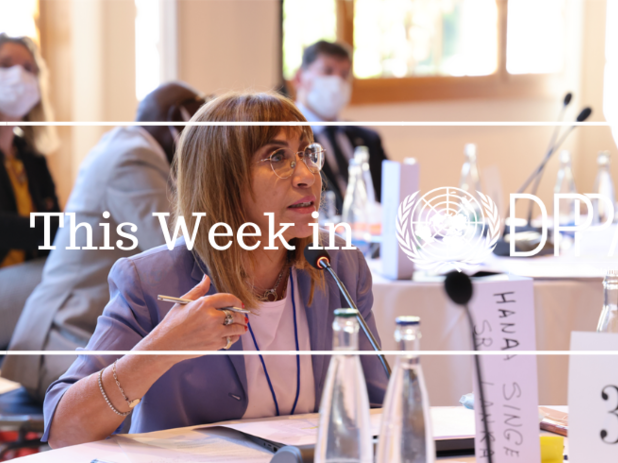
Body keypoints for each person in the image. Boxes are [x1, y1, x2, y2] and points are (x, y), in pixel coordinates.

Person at [43, 92, 388, 448]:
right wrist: (162, 348)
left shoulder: (338, 264)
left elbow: (378, 407)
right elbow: (64, 430)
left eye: (307, 153)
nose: (307, 175)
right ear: (222, 179)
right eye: (277, 157)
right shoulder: (152, 279)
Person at [1, 82, 207, 399]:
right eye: (198, 129)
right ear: (175, 120)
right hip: (64, 334)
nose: (201, 143)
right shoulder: (133, 157)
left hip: (88, 329)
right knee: (166, 400)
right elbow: (178, 246)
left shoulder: (127, 147)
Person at [0, 33, 60, 349]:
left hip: (26, 276)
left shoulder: (31, 156)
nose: (18, 76)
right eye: (5, 64)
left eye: (28, 68)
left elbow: (57, 226)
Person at [292, 40, 388, 211]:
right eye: (327, 71)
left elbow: (390, 196)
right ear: (299, 78)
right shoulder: (287, 138)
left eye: (344, 74)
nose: (337, 81)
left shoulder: (368, 138)